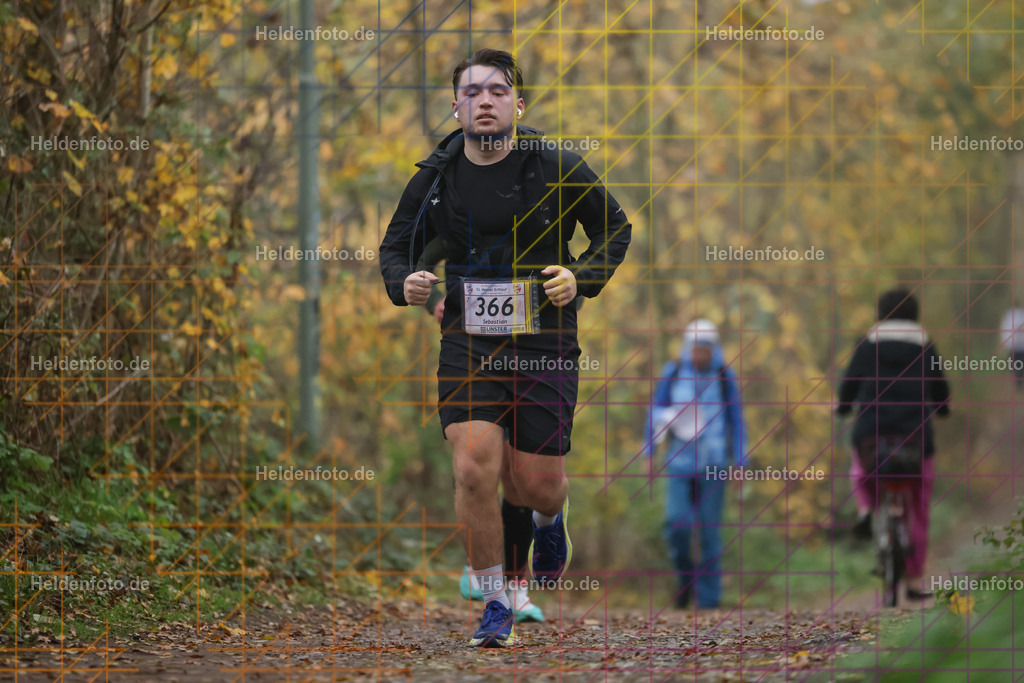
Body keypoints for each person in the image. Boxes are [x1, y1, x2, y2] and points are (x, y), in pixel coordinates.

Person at [379, 48, 631, 647]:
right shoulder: (435, 177)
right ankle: (495, 600)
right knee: (473, 468)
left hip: (545, 337)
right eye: (472, 91)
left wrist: (582, 277)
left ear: (518, 104)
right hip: (468, 339)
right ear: (455, 105)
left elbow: (615, 228)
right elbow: (396, 247)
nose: (484, 100)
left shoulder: (557, 166)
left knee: (533, 484)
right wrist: (405, 281)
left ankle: (551, 518)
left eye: (497, 91)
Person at [418, 237, 543, 623]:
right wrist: (432, 302)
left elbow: (572, 280)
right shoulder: (466, 210)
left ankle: (516, 585)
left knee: (519, 476)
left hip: (531, 354)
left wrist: (561, 313)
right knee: (477, 465)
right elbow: (423, 255)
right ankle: (488, 576)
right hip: (472, 353)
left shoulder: (543, 213)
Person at [837, 288, 950, 600]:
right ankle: (914, 582)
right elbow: (939, 387)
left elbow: (849, 384)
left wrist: (843, 406)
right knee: (920, 502)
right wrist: (942, 408)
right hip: (915, 435)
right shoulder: (925, 345)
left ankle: (865, 510)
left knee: (860, 467)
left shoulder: (867, 343)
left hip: (872, 433)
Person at [644, 319, 747, 610]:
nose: (698, 355)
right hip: (679, 460)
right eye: (694, 349)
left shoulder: (725, 376)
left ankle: (709, 601)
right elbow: (656, 411)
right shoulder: (674, 372)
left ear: (712, 350)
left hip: (714, 463)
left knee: (710, 531)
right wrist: (649, 451)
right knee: (677, 523)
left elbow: (737, 421)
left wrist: (740, 461)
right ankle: (685, 578)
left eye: (704, 349)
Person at [999, 306, 1024, 389]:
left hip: (1018, 346)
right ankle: (1017, 379)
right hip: (1015, 345)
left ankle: (1018, 381)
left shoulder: (1011, 315)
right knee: (1016, 364)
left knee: (1018, 364)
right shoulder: (1012, 315)